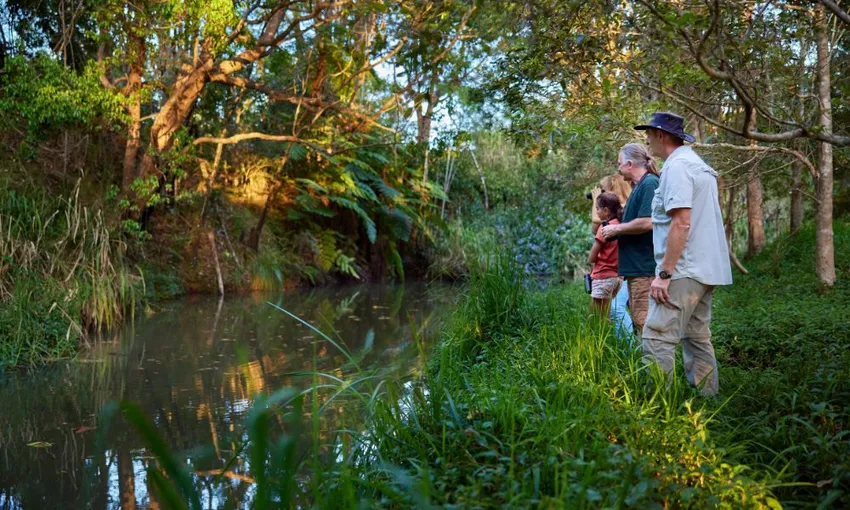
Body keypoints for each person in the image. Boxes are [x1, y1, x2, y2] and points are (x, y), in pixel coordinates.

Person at [635, 111, 732, 396]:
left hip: (683, 270)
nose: (648, 141)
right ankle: (706, 401)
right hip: (705, 269)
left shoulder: (677, 168)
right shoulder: (698, 165)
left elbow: (681, 222)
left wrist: (664, 274)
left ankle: (655, 406)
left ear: (661, 136)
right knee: (697, 336)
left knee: (656, 336)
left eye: (650, 135)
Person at [600, 143, 659, 337]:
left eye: (619, 163)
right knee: (639, 321)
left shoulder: (650, 183)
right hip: (635, 270)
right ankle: (646, 365)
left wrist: (617, 228)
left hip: (645, 269)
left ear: (630, 164)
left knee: (645, 324)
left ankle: (654, 368)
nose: (618, 168)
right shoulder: (639, 187)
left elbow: (647, 222)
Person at [587, 192, 623, 319]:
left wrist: (590, 262)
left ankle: (602, 339)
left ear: (606, 210)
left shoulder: (605, 228)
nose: (596, 212)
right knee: (605, 314)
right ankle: (609, 338)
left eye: (597, 208)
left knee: (598, 317)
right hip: (618, 277)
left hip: (603, 275)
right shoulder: (622, 225)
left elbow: (592, 257)